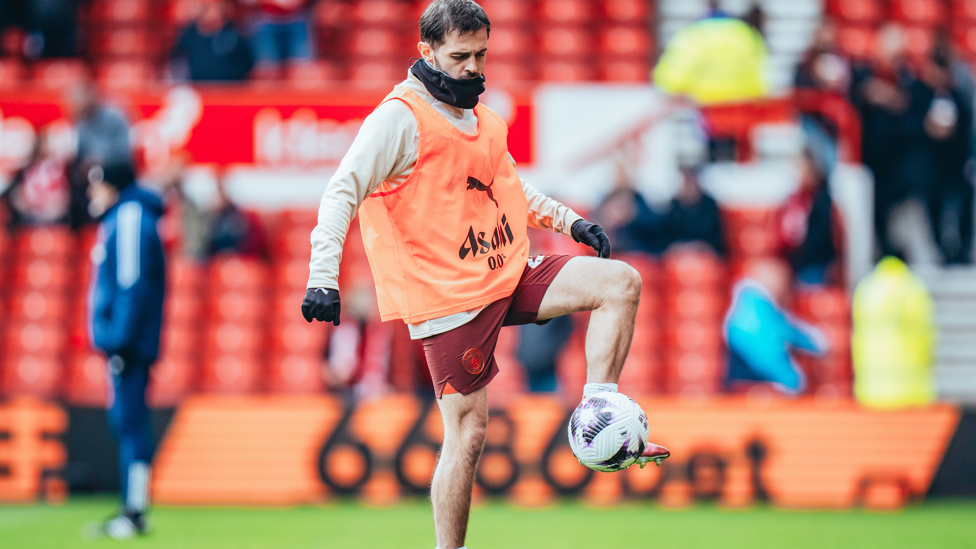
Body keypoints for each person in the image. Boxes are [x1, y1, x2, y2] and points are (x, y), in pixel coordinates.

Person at [299, 2, 669, 547]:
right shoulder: (398, 119)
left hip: (505, 267)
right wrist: (321, 275)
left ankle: (599, 415)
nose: (473, 67)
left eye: (480, 54)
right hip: (448, 298)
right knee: (467, 436)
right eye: (460, 56)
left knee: (621, 283)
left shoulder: (479, 115)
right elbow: (341, 192)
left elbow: (514, 193)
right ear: (426, 52)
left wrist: (571, 222)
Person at [87, 163, 165, 539]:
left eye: (97, 185)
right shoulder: (126, 216)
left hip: (129, 343)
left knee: (131, 423)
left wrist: (118, 339)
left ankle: (134, 512)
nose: (92, 193)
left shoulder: (130, 216)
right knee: (128, 422)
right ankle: (131, 508)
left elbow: (131, 284)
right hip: (129, 340)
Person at [723, 258, 828, 395]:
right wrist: (792, 379)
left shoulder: (743, 306)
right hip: (761, 387)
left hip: (737, 386)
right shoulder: (764, 314)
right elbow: (783, 339)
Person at [851, 256, 936, 409]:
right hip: (911, 389)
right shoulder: (913, 286)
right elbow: (925, 333)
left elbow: (858, 333)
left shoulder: (866, 287)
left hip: (871, 388)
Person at [653, 0, 767, 105]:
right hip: (740, 109)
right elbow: (761, 77)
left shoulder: (694, 35)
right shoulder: (746, 34)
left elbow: (673, 80)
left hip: (707, 109)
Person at [777, 149, 841, 286]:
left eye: (801, 167)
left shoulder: (823, 200)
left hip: (816, 267)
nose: (797, 173)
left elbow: (823, 240)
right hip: (795, 266)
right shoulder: (795, 200)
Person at [170, 0, 255, 82]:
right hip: (198, 88)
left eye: (213, 6)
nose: (209, 12)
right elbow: (178, 63)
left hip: (229, 91)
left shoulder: (235, 33)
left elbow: (247, 66)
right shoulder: (189, 34)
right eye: (205, 7)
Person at [662, 164, 726, 257]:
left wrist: (701, 246)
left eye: (691, 179)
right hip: (679, 258)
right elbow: (667, 239)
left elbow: (717, 239)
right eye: (686, 180)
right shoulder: (674, 207)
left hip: (705, 257)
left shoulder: (710, 206)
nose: (689, 184)